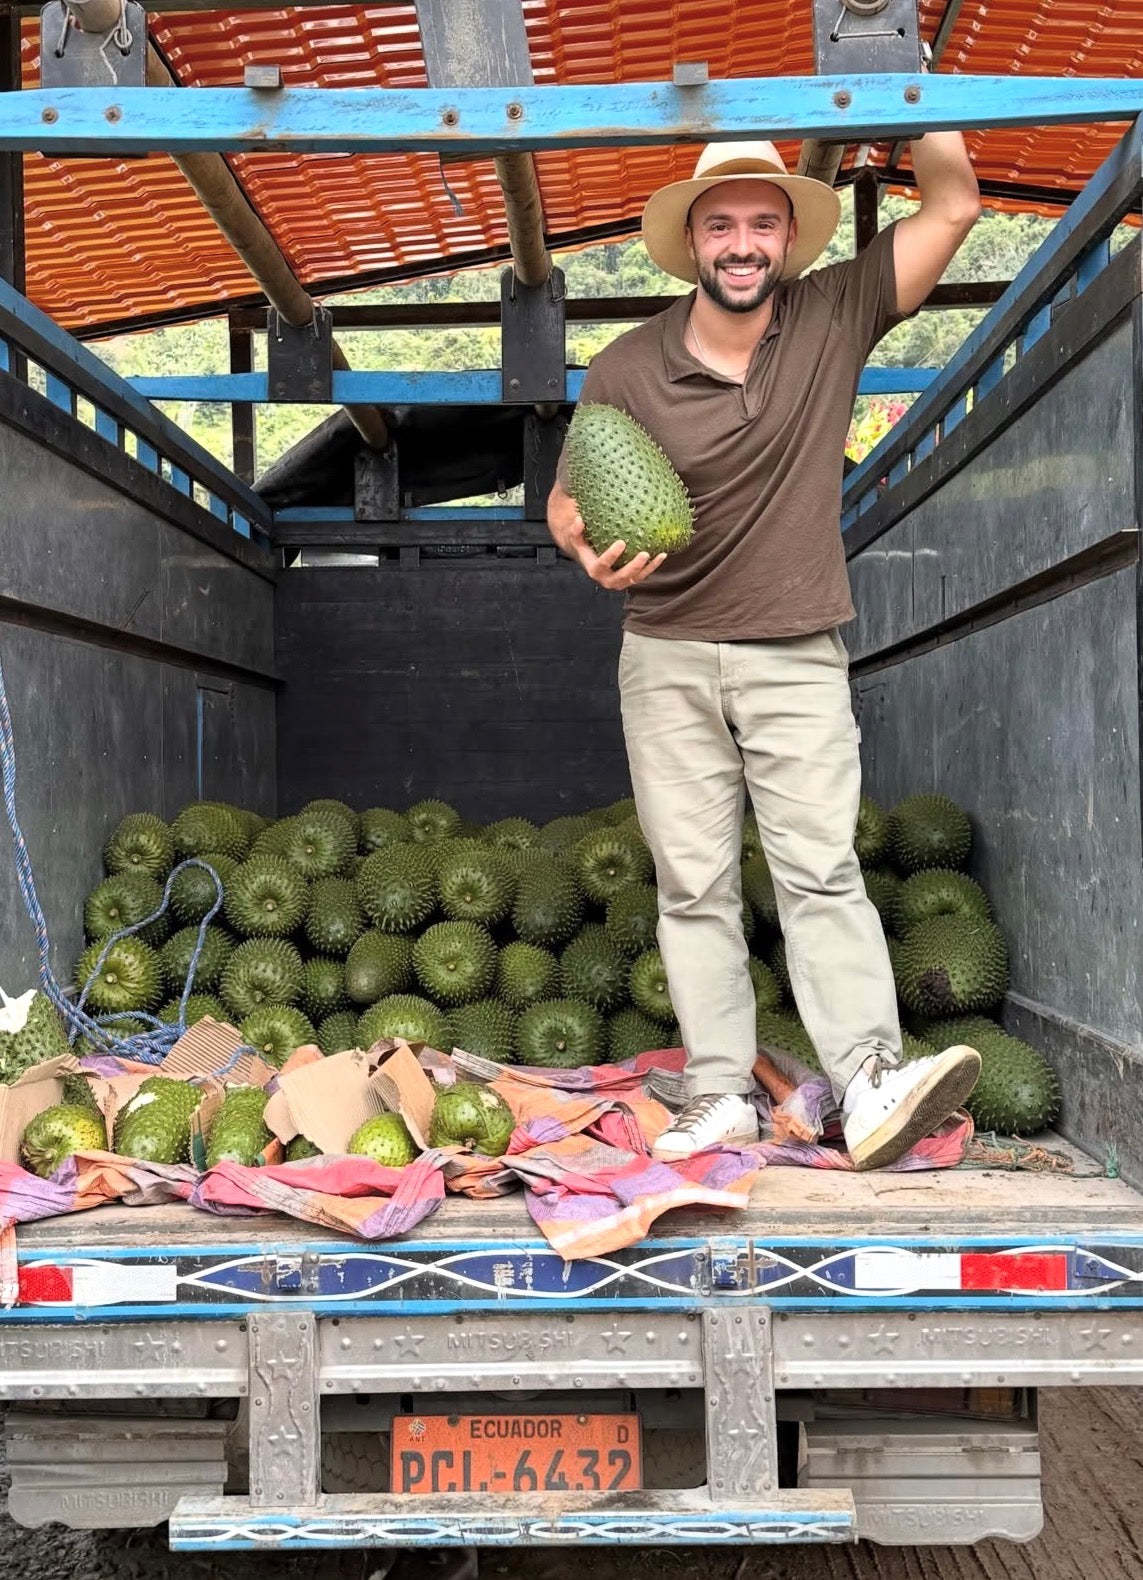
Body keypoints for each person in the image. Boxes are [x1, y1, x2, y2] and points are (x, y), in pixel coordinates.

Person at [547, 134, 983, 1169]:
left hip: (796, 649)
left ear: (789, 238)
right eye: (721, 225)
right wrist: (582, 546)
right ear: (692, 243)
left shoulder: (836, 312)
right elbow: (569, 498)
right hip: (666, 652)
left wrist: (918, 102)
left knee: (821, 868)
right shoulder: (628, 366)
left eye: (761, 224)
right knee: (692, 883)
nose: (741, 244)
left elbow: (955, 207)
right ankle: (718, 1093)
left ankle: (870, 1077)